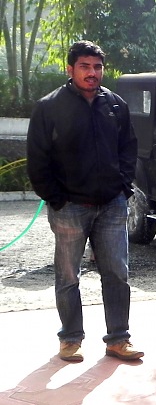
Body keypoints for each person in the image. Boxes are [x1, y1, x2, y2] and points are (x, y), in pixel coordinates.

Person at [26, 40, 143, 363]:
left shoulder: (115, 105)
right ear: (70, 69)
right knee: (68, 276)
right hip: (69, 208)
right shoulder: (49, 107)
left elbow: (128, 149)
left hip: (111, 205)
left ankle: (118, 339)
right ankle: (70, 339)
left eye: (97, 67)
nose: (92, 73)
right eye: (85, 67)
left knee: (117, 273)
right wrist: (56, 198)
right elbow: (37, 159)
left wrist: (123, 189)